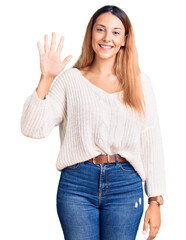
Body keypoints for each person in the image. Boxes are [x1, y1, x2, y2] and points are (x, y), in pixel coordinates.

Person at [20, 5, 166, 240]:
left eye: (116, 32)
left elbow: (151, 141)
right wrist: (46, 78)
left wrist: (155, 199)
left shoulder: (140, 83)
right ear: (91, 34)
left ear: (125, 40)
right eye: (101, 30)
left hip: (125, 186)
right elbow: (31, 128)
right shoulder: (71, 80)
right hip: (77, 184)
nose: (107, 37)